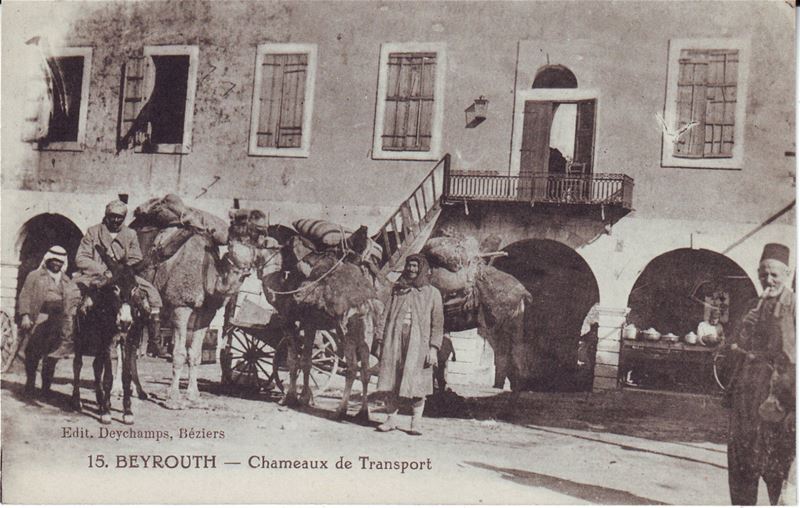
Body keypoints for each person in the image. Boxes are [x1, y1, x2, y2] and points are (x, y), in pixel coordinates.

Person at [725, 243, 795, 505]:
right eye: (763, 274)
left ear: (786, 274)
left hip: (779, 397)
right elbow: (733, 347)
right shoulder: (752, 305)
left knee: (777, 466)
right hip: (746, 396)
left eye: (775, 274)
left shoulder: (794, 305)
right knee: (742, 461)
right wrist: (743, 330)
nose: (769, 280)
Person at [50, 199, 163, 359]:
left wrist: (121, 270)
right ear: (106, 215)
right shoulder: (93, 232)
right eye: (112, 216)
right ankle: (67, 341)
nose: (116, 220)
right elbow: (81, 258)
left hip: (123, 276)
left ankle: (154, 341)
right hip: (94, 275)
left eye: (120, 217)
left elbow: (136, 257)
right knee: (70, 293)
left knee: (153, 295)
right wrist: (103, 270)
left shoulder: (130, 234)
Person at [375, 254, 444, 435]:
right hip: (394, 339)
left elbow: (438, 324)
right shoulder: (398, 290)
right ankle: (390, 420)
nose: (412, 269)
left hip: (418, 344)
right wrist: (380, 340)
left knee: (418, 382)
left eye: (415, 266)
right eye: (410, 265)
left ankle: (416, 423)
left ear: (422, 268)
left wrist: (434, 349)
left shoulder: (432, 293)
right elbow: (385, 314)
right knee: (390, 380)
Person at [17, 246, 70, 396]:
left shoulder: (66, 280)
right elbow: (25, 295)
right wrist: (25, 315)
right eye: (54, 260)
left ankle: (46, 388)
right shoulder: (35, 276)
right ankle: (30, 384)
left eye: (60, 262)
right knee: (33, 353)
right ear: (48, 259)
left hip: (58, 322)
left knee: (52, 355)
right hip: (39, 318)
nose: (56, 264)